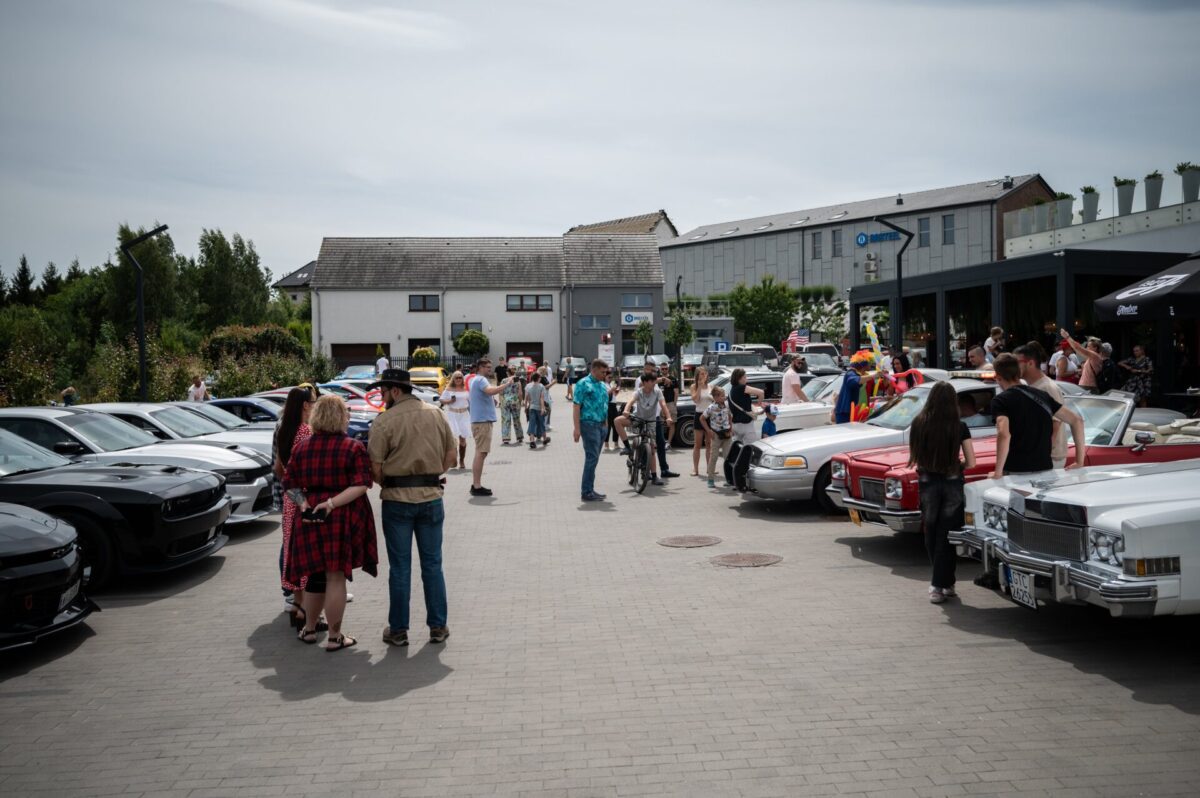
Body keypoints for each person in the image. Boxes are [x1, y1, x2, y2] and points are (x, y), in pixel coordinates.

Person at [368, 368, 456, 647]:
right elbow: (451, 455)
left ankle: (398, 630)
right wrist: (433, 474)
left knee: (400, 567)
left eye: (383, 392)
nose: (382, 398)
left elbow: (375, 467)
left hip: (397, 501)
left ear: (395, 391)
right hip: (430, 497)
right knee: (433, 564)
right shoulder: (436, 414)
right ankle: (438, 626)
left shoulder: (384, 421)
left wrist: (387, 481)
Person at [284, 394, 378, 651]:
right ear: (341, 417)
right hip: (339, 515)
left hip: (309, 516)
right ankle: (335, 637)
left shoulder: (302, 448)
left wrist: (304, 503)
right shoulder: (352, 447)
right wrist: (332, 503)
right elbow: (361, 484)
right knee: (335, 578)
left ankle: (310, 629)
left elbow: (289, 483)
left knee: (314, 575)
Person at [907, 381, 977, 605]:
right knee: (948, 534)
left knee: (931, 532)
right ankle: (943, 583)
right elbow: (972, 462)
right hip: (952, 482)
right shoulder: (960, 427)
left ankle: (941, 584)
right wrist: (958, 466)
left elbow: (915, 457)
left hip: (927, 481)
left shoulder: (918, 423)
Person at [990, 353, 1086, 479]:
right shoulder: (1042, 395)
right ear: (1019, 373)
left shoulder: (1000, 401)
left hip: (1016, 470)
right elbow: (1077, 420)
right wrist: (1079, 461)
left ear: (998, 377)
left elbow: (1004, 434)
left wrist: (997, 472)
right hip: (1046, 469)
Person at [275, 387, 315, 622]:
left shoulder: (284, 431)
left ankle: (296, 605)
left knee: (292, 552)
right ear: (305, 405)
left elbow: (279, 469)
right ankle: (306, 613)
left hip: (290, 499)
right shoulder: (305, 432)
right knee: (307, 554)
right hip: (303, 500)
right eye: (313, 402)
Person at [1014, 343, 1068, 469]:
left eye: (1016, 362)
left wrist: (1043, 453)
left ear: (1030, 363)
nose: (1013, 367)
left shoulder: (1047, 387)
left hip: (1049, 457)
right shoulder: (1031, 386)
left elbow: (1055, 423)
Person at [467, 358, 513, 497]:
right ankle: (476, 486)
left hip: (480, 421)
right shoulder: (481, 380)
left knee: (481, 452)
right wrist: (506, 384)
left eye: (490, 366)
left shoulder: (476, 380)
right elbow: (490, 391)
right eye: (487, 367)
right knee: (481, 453)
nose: (490, 369)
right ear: (480, 367)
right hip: (482, 422)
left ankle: (476, 484)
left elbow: (484, 395)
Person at [617, 372, 671, 486]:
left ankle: (655, 476)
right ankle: (627, 447)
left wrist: (668, 417)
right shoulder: (639, 392)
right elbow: (630, 401)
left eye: (655, 381)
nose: (654, 383)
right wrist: (626, 410)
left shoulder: (657, 391)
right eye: (652, 381)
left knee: (652, 448)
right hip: (638, 419)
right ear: (645, 382)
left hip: (650, 422)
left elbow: (663, 405)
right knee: (617, 421)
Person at [572, 359, 610, 502]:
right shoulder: (583, 384)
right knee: (592, 458)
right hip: (588, 425)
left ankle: (590, 489)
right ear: (594, 370)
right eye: (602, 372)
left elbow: (604, 405)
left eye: (606, 372)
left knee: (594, 459)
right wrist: (577, 429)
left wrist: (606, 425)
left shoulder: (602, 385)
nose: (605, 374)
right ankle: (586, 491)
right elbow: (576, 406)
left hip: (601, 426)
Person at [633, 362, 678, 477]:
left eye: (655, 371)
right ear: (645, 370)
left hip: (656, 416)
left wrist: (666, 415)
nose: (654, 373)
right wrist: (662, 379)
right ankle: (645, 470)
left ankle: (664, 469)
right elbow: (643, 386)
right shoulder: (640, 380)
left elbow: (661, 400)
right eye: (651, 370)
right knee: (646, 444)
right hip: (644, 418)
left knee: (660, 443)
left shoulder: (654, 382)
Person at [700, 385, 734, 488]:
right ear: (715, 397)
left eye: (724, 395)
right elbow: (702, 418)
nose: (724, 397)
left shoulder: (727, 405)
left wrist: (731, 428)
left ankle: (729, 479)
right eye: (722, 396)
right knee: (714, 457)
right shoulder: (711, 407)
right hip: (716, 435)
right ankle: (710, 479)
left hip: (727, 434)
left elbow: (729, 416)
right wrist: (708, 431)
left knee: (728, 458)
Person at [831, 351, 878, 424]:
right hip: (847, 413)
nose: (871, 364)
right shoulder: (851, 373)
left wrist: (884, 376)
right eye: (869, 362)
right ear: (864, 364)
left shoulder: (866, 375)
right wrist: (874, 376)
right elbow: (854, 381)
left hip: (862, 411)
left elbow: (881, 386)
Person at [438, 371, 472, 469]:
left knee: (463, 439)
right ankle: (454, 459)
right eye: (456, 377)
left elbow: (472, 400)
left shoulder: (466, 389)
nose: (458, 379)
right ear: (453, 379)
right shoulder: (449, 389)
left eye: (460, 377)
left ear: (462, 379)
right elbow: (441, 399)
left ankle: (462, 460)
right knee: (453, 438)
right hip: (452, 414)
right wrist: (450, 401)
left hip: (464, 415)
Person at [1061, 329, 1103, 394]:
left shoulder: (1095, 355)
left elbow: (1078, 348)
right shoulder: (1093, 357)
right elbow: (1077, 349)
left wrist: (1067, 337)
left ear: (1095, 348)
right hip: (1087, 386)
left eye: (1088, 346)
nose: (1086, 348)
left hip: (1089, 387)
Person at [728, 368, 763, 444]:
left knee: (739, 448)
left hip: (736, 424)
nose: (746, 378)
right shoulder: (742, 388)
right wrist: (759, 403)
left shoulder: (731, 390)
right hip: (746, 425)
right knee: (750, 448)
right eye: (745, 377)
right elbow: (761, 392)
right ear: (739, 378)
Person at [690, 367, 713, 476]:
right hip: (699, 415)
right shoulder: (693, 386)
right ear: (697, 375)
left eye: (704, 373)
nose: (703, 376)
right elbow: (696, 400)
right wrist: (699, 386)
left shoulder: (710, 386)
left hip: (709, 416)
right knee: (697, 444)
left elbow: (714, 400)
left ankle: (709, 468)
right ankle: (695, 469)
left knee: (709, 444)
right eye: (701, 374)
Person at [499, 365, 525, 445]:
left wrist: (501, 401)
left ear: (507, 372)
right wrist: (521, 401)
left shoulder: (504, 380)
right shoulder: (517, 380)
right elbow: (520, 393)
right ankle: (519, 437)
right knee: (517, 419)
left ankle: (506, 438)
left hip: (505, 401)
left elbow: (500, 392)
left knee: (505, 419)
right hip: (515, 401)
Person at [525, 372, 548, 448]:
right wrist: (543, 408)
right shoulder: (541, 386)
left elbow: (527, 398)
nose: (540, 378)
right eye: (540, 377)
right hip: (539, 408)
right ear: (538, 378)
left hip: (531, 407)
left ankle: (532, 441)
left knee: (532, 424)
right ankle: (545, 439)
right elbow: (541, 398)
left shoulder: (528, 386)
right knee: (541, 423)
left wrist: (526, 407)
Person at [657, 363, 677, 447]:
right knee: (660, 423)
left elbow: (676, 392)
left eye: (666, 368)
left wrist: (674, 404)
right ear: (660, 369)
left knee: (671, 423)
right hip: (659, 404)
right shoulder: (658, 379)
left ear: (668, 369)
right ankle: (661, 441)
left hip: (670, 403)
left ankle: (669, 442)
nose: (664, 370)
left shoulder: (673, 379)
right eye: (663, 369)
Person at [605, 367, 622, 451]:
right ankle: (606, 445)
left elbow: (614, 395)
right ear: (605, 377)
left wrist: (616, 390)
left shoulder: (610, 384)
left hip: (613, 405)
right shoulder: (603, 385)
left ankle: (616, 444)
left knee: (616, 425)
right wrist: (611, 390)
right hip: (608, 406)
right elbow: (604, 395)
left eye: (611, 377)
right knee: (608, 426)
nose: (610, 379)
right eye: (609, 377)